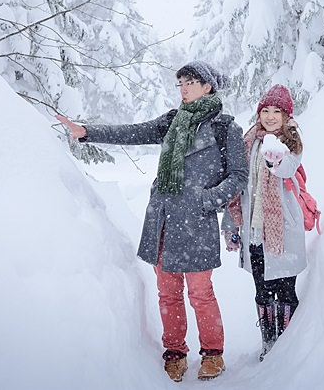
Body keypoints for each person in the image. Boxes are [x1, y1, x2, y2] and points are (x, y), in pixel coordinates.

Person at [55, 61, 248, 383]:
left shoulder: (225, 127)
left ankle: (213, 353)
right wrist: (87, 132)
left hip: (196, 221)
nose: (183, 88)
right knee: (167, 292)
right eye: (181, 83)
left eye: (190, 82)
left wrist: (207, 199)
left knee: (200, 292)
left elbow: (238, 176)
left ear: (208, 87)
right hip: (164, 218)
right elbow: (134, 132)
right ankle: (175, 352)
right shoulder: (173, 122)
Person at [221, 84, 305, 361]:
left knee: (285, 291)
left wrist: (274, 162)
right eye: (265, 110)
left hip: (282, 232)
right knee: (262, 292)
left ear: (286, 116)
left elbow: (288, 168)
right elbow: (238, 185)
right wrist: (232, 225)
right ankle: (269, 342)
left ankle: (286, 346)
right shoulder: (249, 141)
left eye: (276, 111)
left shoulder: (290, 142)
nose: (270, 116)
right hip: (254, 232)